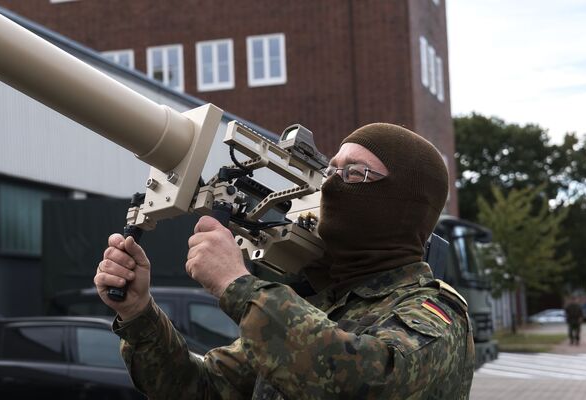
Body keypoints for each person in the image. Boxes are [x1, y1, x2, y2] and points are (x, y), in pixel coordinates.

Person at [94, 123, 475, 399]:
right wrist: (139, 312)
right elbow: (200, 387)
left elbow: (367, 385)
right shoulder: (320, 304)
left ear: (405, 206)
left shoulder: (434, 312)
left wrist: (237, 285)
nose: (331, 184)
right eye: (331, 170)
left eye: (354, 173)